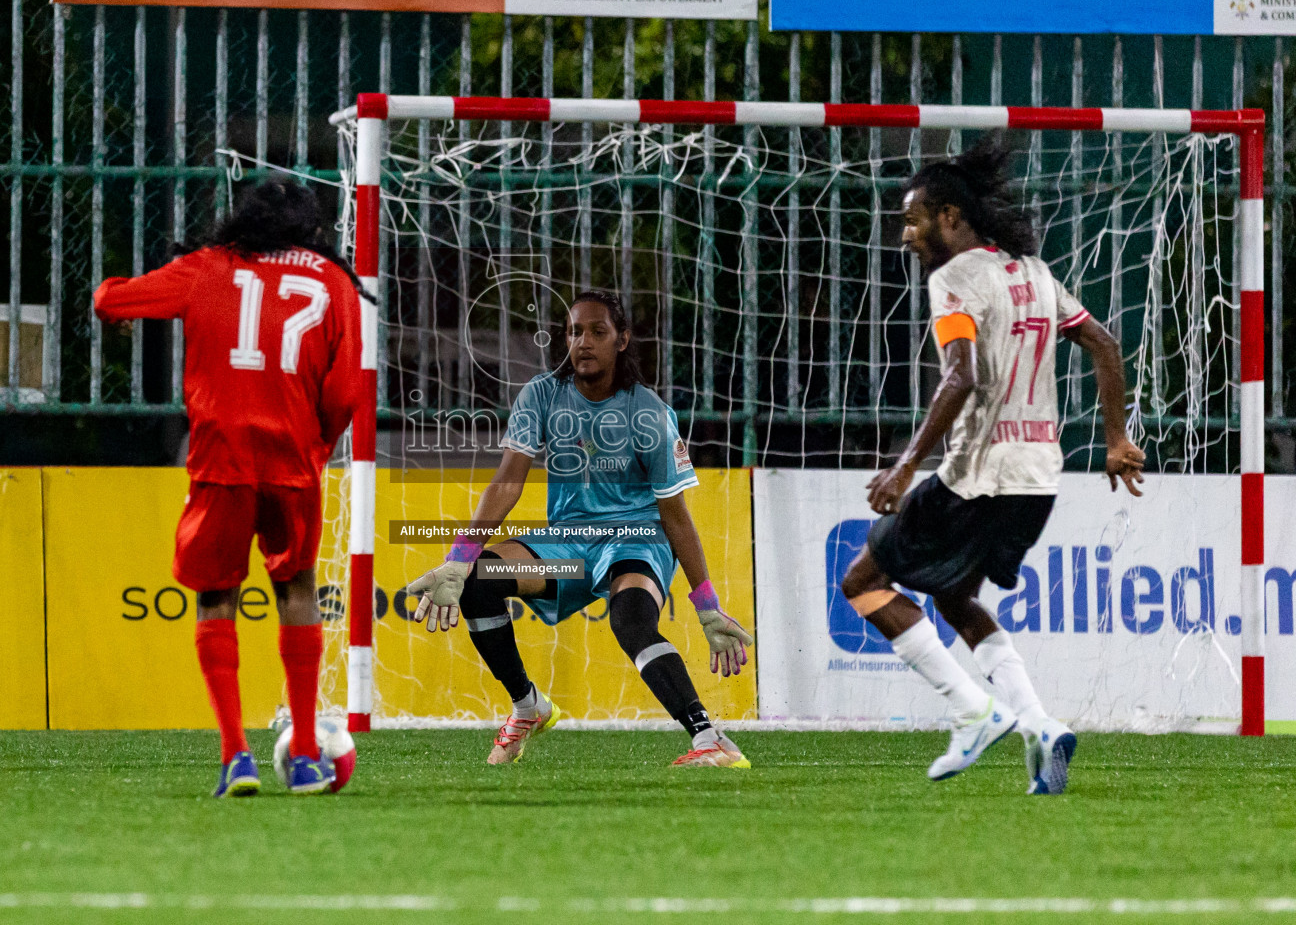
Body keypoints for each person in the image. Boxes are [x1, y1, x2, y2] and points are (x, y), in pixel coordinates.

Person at [838, 140, 1145, 795]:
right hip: (1038, 479)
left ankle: (973, 711)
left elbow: (960, 376)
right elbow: (1104, 342)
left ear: (950, 216)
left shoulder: (954, 279)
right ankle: (1039, 727)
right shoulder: (1032, 271)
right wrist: (1115, 440)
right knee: (954, 597)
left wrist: (904, 466)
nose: (906, 235)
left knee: (862, 582)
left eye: (913, 219)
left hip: (977, 475)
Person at [405, 289, 754, 768]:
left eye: (597, 332)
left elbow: (675, 514)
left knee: (630, 621)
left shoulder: (649, 412)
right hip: (568, 543)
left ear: (623, 340)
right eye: (574, 332)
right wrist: (460, 557)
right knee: (477, 582)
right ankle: (528, 706)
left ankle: (709, 737)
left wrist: (707, 604)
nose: (584, 342)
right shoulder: (542, 395)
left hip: (637, 537)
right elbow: (507, 483)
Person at [93, 180, 362, 797]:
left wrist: (115, 304)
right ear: (307, 228)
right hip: (293, 457)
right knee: (295, 588)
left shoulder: (207, 266)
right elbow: (347, 391)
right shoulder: (332, 279)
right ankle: (304, 758)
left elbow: (112, 300)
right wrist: (313, 446)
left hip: (220, 458)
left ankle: (236, 756)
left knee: (216, 597)